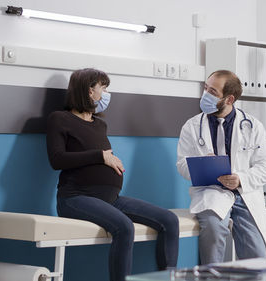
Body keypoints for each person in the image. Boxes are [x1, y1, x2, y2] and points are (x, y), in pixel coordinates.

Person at [46, 68, 179, 281]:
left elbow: (104, 157)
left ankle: (168, 278)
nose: (106, 94)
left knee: (169, 220)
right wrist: (99, 156)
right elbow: (57, 160)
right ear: (90, 91)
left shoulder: (100, 124)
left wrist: (105, 159)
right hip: (75, 197)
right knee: (124, 227)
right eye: (104, 88)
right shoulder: (60, 119)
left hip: (111, 199)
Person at [176, 70, 266, 264]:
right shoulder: (192, 126)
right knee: (213, 232)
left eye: (212, 91)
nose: (205, 95)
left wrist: (240, 178)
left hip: (244, 195)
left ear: (229, 99)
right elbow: (182, 164)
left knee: (257, 255)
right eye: (205, 88)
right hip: (212, 193)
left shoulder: (253, 126)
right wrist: (204, 164)